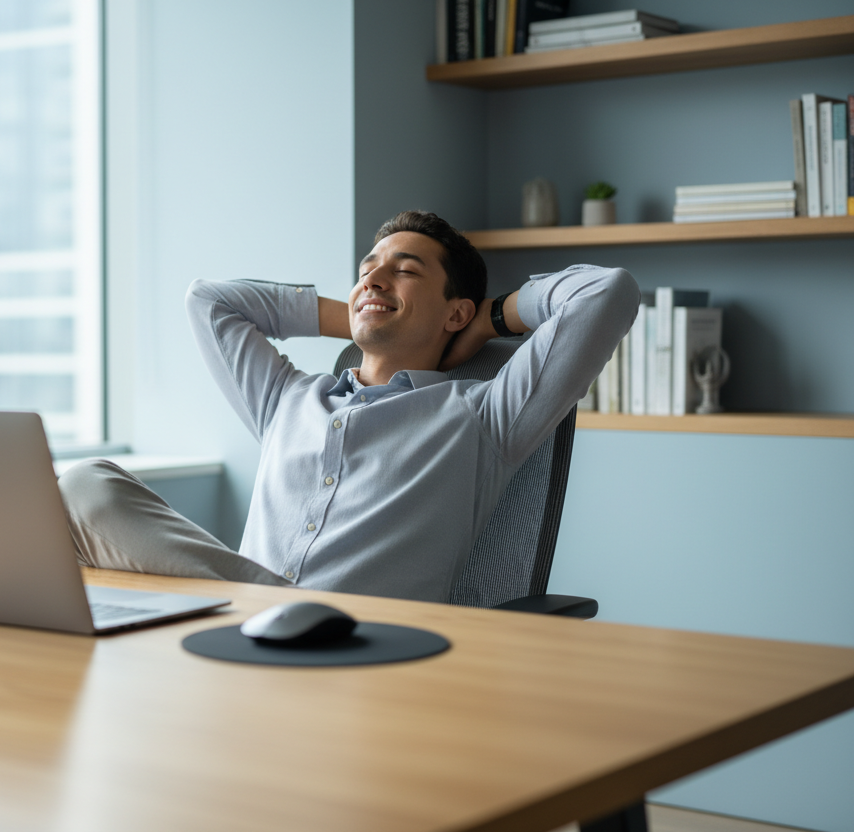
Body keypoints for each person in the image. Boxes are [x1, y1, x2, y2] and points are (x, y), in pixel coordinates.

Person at [58, 210, 639, 603]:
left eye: (405, 271)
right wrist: (363, 310)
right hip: (235, 626)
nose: (376, 277)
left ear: (454, 312)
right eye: (367, 269)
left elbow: (605, 293)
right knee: (84, 485)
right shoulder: (287, 397)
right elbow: (208, 301)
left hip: (359, 646)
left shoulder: (484, 416)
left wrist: (489, 318)